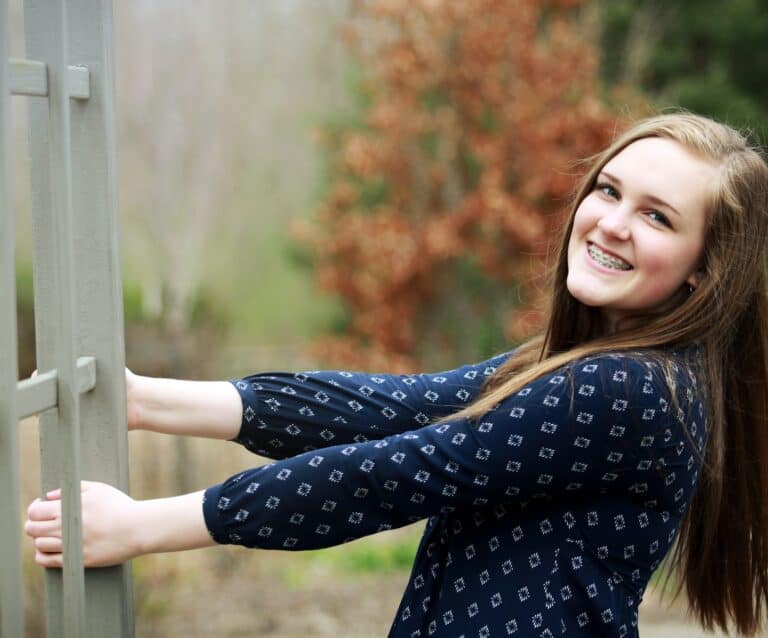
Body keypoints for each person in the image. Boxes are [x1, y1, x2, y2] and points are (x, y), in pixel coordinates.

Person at [25, 112, 768, 637]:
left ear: (706, 272)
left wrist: (144, 525)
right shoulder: (572, 366)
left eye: (658, 217)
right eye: (608, 190)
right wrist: (146, 399)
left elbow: (386, 477)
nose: (610, 222)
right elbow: (388, 408)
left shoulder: (627, 392)